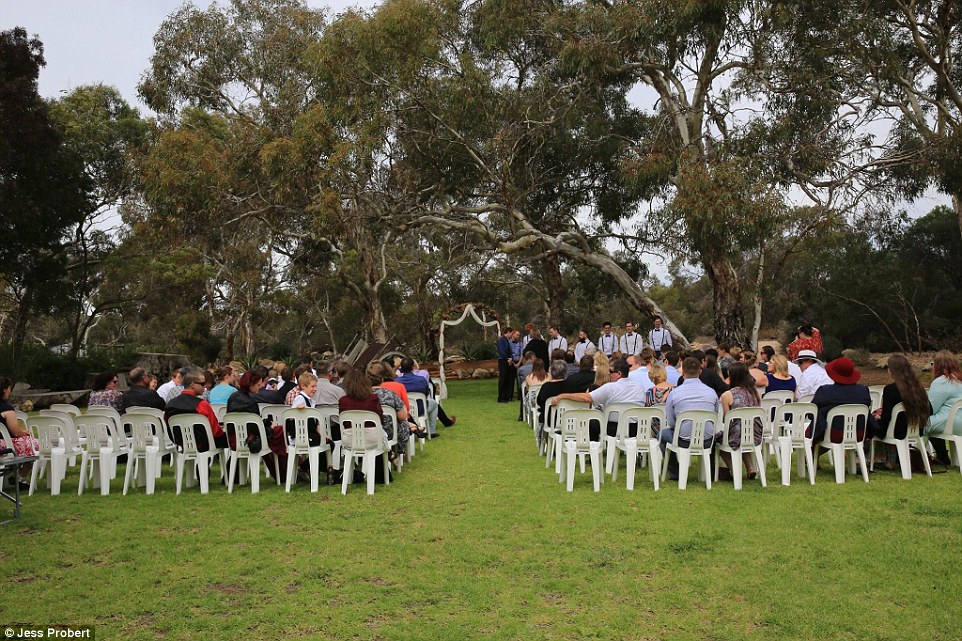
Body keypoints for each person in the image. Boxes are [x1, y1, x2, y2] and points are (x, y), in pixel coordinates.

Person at [551, 358, 646, 440]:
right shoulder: (639, 387)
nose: (608, 373)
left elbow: (587, 398)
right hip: (635, 429)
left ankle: (593, 452)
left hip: (613, 429)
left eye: (611, 371)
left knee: (591, 420)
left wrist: (562, 396)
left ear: (619, 374)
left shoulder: (610, 388)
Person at [660, 357, 719, 481]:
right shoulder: (711, 392)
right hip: (707, 439)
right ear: (700, 371)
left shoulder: (674, 393)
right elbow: (714, 416)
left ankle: (675, 473)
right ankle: (708, 472)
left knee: (663, 434)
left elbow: (671, 422)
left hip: (683, 439)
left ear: (682, 373)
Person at [226, 370, 288, 481]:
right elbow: (255, 427)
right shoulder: (250, 402)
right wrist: (270, 428)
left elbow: (251, 423)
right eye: (258, 385)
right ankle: (286, 470)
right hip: (250, 439)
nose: (260, 387)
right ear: (251, 385)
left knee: (277, 431)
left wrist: (266, 424)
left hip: (234, 438)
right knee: (279, 432)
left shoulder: (232, 397)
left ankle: (288, 470)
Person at [810, 357, 879, 444]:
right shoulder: (863, 391)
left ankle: (809, 456)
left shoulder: (825, 391)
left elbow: (811, 413)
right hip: (859, 433)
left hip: (832, 434)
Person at [718, 363, 764, 479]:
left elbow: (727, 419)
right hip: (755, 434)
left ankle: (735, 470)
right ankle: (750, 468)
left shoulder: (727, 395)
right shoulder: (755, 393)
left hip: (737, 434)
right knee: (743, 436)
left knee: (720, 444)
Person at [165, 367, 227, 452]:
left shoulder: (170, 404)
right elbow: (216, 432)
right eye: (202, 384)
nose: (204, 386)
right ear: (192, 384)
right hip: (203, 443)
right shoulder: (201, 404)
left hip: (180, 441)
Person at [877, 354, 932, 443]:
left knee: (871, 422)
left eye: (889, 368)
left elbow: (886, 417)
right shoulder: (918, 387)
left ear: (893, 370)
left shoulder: (890, 389)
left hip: (896, 432)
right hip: (917, 431)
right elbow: (930, 410)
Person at [397, 357, 454, 436]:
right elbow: (426, 394)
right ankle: (432, 431)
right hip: (421, 409)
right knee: (434, 403)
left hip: (404, 412)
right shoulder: (421, 379)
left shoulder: (397, 381)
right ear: (413, 366)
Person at [0, 376, 39, 489]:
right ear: (4, 390)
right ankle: (19, 476)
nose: (10, 391)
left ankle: (12, 475)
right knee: (34, 446)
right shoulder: (6, 409)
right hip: (5, 446)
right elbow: (15, 432)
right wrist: (25, 433)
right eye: (9, 388)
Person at [338, 367, 388, 454]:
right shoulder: (373, 398)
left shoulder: (343, 400)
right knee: (382, 434)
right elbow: (380, 420)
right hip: (372, 438)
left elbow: (343, 422)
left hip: (350, 438)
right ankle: (387, 456)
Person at [366, 364, 409, 463]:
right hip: (390, 433)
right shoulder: (390, 394)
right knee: (404, 423)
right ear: (382, 379)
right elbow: (402, 417)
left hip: (366, 432)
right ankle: (398, 451)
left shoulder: (361, 395)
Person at [926, 350, 962, 465]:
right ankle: (943, 456)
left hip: (949, 423)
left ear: (938, 365)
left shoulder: (941, 382)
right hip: (959, 422)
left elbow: (930, 409)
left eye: (932, 363)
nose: (931, 367)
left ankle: (942, 456)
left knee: (922, 423)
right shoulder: (959, 380)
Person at [645, 362, 673, 436]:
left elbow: (646, 411)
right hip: (671, 429)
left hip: (653, 430)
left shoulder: (649, 393)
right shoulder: (675, 391)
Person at [496, 326, 515, 403]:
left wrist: (511, 358)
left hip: (508, 361)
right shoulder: (501, 340)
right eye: (511, 333)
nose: (512, 335)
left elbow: (509, 351)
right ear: (508, 332)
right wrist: (508, 358)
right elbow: (502, 351)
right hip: (503, 361)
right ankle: (501, 397)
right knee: (503, 379)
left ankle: (507, 396)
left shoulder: (506, 341)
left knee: (508, 379)